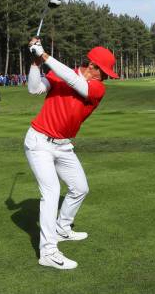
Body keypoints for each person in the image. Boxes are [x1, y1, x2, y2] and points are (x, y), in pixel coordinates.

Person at [24, 37, 118, 270]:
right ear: (92, 66)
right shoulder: (60, 73)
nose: (105, 77)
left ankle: (62, 229)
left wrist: (45, 56)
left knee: (80, 188)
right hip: (39, 142)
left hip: (64, 145)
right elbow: (34, 89)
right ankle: (48, 252)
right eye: (102, 71)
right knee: (52, 191)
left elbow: (77, 82)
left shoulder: (97, 87)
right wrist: (36, 62)